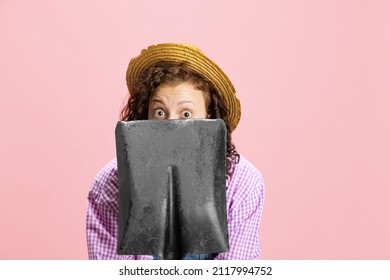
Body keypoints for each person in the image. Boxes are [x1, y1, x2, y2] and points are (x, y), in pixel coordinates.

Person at [86, 43, 265, 260]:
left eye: (186, 114)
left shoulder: (242, 181)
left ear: (209, 117)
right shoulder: (111, 184)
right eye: (160, 112)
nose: (171, 124)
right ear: (145, 115)